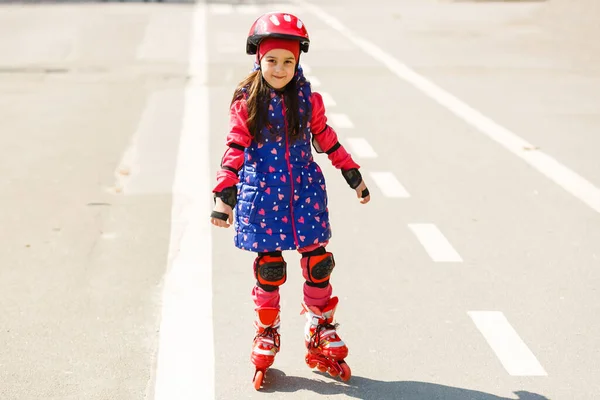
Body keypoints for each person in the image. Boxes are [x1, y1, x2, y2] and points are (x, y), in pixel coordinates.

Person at [209, 11, 370, 388]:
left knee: (318, 264)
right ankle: (266, 330)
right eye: (272, 60)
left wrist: (352, 174)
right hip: (263, 196)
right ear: (258, 60)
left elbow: (326, 139)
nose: (280, 68)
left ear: (298, 61)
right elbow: (234, 149)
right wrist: (224, 196)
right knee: (270, 269)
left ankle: (320, 328)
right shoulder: (247, 102)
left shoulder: (307, 100)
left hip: (305, 197)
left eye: (288, 61)